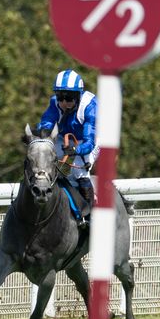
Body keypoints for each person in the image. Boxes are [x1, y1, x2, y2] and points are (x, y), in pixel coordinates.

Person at [36, 69, 99, 228]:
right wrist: (41, 132)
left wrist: (76, 151)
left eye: (69, 97)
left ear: (78, 95)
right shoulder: (54, 103)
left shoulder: (90, 106)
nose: (64, 102)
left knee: (78, 171)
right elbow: (47, 122)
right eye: (60, 97)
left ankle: (90, 215)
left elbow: (89, 142)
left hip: (91, 140)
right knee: (45, 159)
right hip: (65, 138)